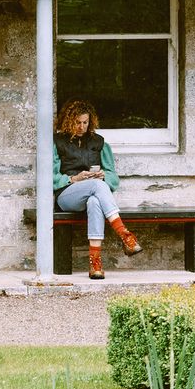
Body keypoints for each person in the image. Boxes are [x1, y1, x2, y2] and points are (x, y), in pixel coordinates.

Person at [54, 99, 141, 279]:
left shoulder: (99, 143)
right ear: (69, 121)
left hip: (91, 193)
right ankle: (124, 234)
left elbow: (113, 178)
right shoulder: (57, 142)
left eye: (85, 122)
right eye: (77, 122)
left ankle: (95, 264)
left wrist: (103, 176)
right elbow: (49, 177)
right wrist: (72, 178)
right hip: (66, 195)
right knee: (96, 186)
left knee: (95, 201)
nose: (81, 127)